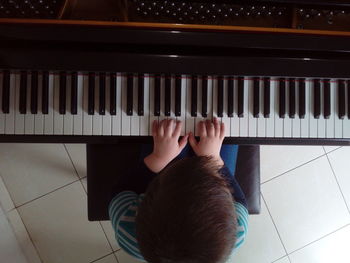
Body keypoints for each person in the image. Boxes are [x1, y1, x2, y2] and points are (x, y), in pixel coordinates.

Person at [109, 118, 248, 263]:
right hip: (214, 172)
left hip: (158, 173)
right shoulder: (235, 233)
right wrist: (213, 159)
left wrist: (158, 158)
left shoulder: (126, 227)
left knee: (163, 125)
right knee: (226, 122)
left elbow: (121, 190)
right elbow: (239, 200)